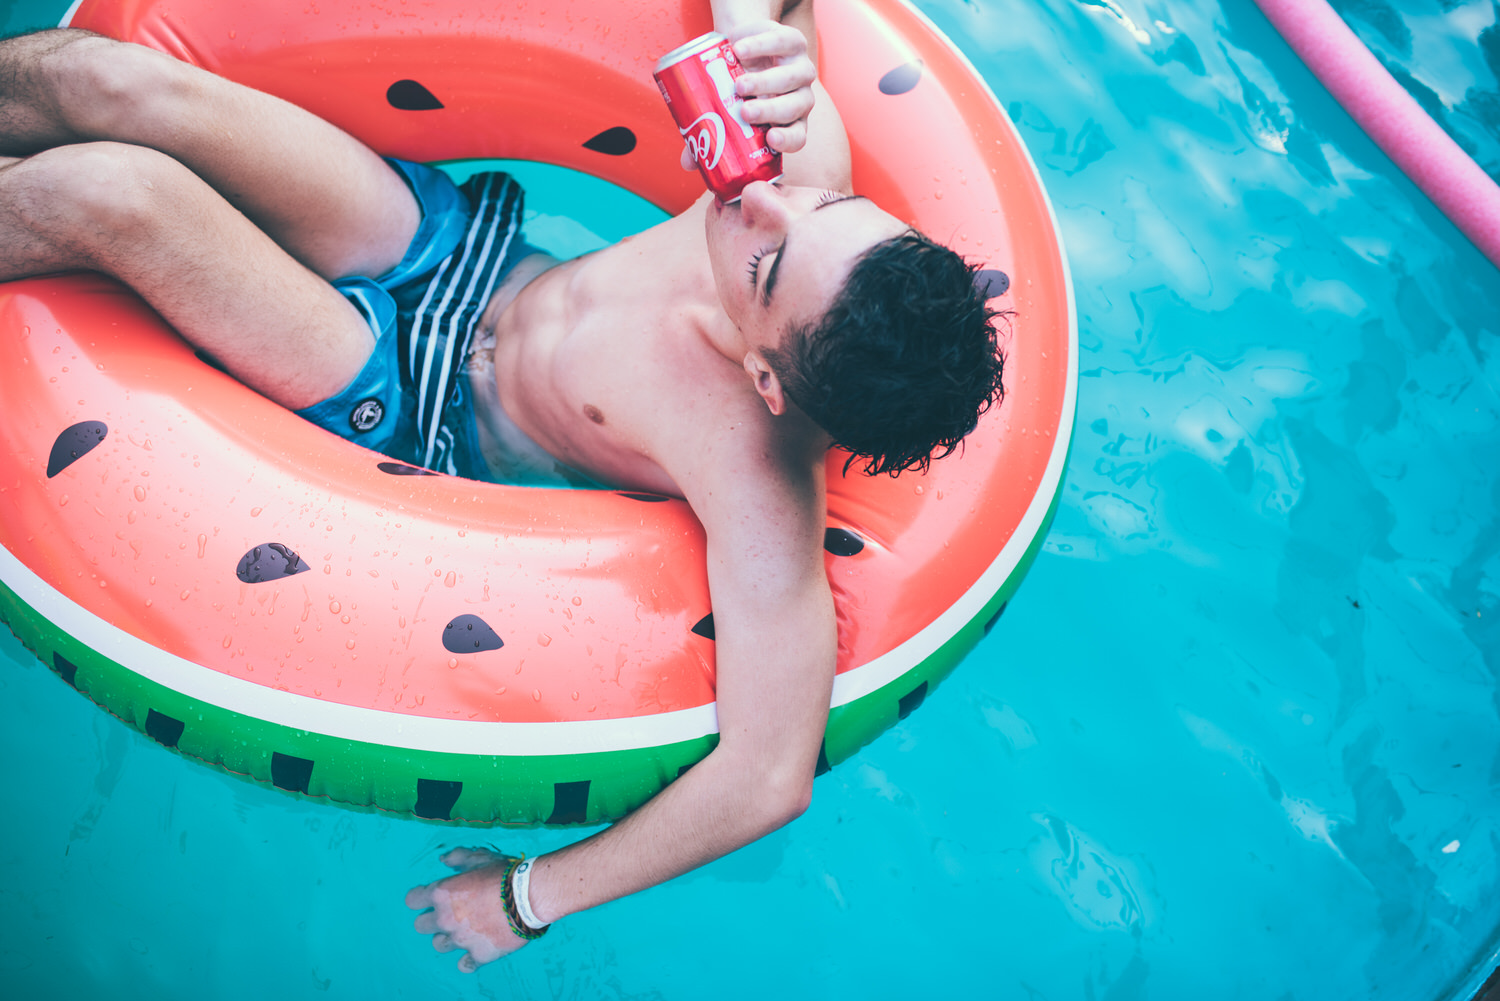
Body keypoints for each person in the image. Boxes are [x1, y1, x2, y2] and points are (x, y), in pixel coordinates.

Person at [0, 0, 1003, 971]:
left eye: (767, 265)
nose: (763, 201)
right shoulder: (796, 177)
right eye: (830, 209)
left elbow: (768, 776)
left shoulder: (752, 470)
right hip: (460, 256)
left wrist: (529, 898)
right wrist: (755, 36)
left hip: (406, 395)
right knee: (101, 79)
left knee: (115, 196)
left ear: (767, 377)